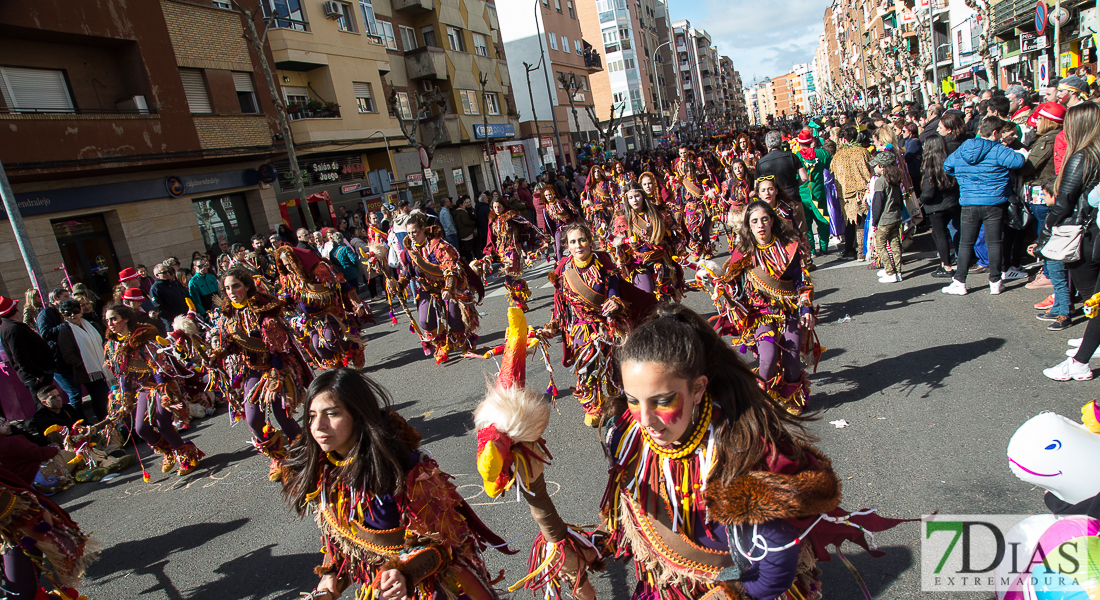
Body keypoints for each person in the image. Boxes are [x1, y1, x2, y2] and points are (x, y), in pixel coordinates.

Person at [512, 304, 902, 599]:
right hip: (667, 587)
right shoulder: (627, 436)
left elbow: (775, 570)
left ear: (698, 389)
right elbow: (631, 521)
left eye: (663, 401)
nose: (646, 420)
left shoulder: (743, 453)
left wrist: (731, 595)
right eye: (633, 400)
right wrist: (585, 547)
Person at [280, 369, 511, 600]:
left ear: (358, 414)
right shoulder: (323, 469)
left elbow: (442, 542)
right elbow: (341, 534)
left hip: (432, 585)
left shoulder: (403, 467)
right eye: (311, 416)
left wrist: (405, 572)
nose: (318, 426)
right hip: (384, 586)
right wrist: (330, 576)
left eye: (331, 414)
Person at [708, 200, 819, 414]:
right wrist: (717, 285)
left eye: (764, 220)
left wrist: (806, 308)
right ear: (749, 226)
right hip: (761, 314)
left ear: (772, 222)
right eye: (755, 221)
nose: (760, 225)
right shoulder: (743, 253)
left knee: (792, 357)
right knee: (767, 359)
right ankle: (763, 400)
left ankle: (791, 398)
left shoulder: (789, 248)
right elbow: (732, 286)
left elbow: (802, 281)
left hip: (789, 310)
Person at [543, 222, 654, 426]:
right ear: (567, 245)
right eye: (573, 242)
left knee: (616, 363)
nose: (578, 246)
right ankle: (593, 405)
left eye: (582, 240)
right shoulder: (563, 268)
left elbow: (614, 289)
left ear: (590, 242)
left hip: (608, 322)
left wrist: (615, 302)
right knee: (587, 366)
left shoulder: (602, 262)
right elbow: (560, 303)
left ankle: (618, 399)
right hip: (582, 326)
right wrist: (553, 325)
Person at [211, 268, 309, 480]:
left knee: (282, 415)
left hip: (276, 367)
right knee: (254, 420)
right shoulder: (228, 314)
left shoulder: (263, 308)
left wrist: (276, 375)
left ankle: (304, 452)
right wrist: (219, 353)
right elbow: (232, 344)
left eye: (235, 285)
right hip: (251, 371)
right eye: (227, 288)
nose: (231, 291)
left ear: (246, 286)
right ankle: (278, 457)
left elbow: (277, 347)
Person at [103, 304, 205, 475]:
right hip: (144, 388)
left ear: (125, 318)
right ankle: (169, 452)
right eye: (107, 320)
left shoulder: (144, 339)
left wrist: (167, 398)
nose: (110, 323)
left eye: (113, 319)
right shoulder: (112, 346)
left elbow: (159, 368)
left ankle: (186, 455)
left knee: (162, 423)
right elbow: (123, 375)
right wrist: (126, 400)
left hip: (164, 384)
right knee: (141, 429)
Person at [1040, 103, 1100, 381]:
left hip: (1084, 234)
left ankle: (1080, 361)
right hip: (1093, 229)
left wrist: (1048, 227)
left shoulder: (1081, 157)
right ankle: (1089, 344)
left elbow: (1064, 200)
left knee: (1093, 299)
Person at [942, 116, 1026, 296]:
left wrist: (964, 177)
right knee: (994, 242)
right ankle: (995, 281)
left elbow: (947, 166)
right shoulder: (999, 150)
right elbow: (1018, 162)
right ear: (995, 132)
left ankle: (959, 281)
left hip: (969, 202)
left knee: (965, 243)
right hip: (994, 202)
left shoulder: (964, 147)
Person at [399, 213, 483, 363]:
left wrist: (449, 289)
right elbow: (407, 273)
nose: (411, 236)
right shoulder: (409, 251)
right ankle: (442, 343)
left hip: (449, 286)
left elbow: (450, 268)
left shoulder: (439, 246)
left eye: (414, 232)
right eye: (409, 233)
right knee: (425, 321)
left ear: (423, 229)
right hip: (428, 288)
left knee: (455, 318)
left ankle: (465, 342)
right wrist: (398, 285)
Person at [274, 246, 368, 370]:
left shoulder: (320, 270)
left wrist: (358, 303)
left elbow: (344, 286)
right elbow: (290, 296)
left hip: (330, 314)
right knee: (318, 347)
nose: (289, 268)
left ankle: (355, 346)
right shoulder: (291, 278)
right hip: (310, 320)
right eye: (286, 265)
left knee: (329, 342)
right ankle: (339, 371)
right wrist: (280, 302)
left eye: (291, 264)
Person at [1021, 103, 1067, 304]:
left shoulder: (1049, 139)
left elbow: (1030, 166)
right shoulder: (1048, 138)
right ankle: (1046, 269)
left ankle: (1048, 272)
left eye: (1039, 118)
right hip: (1040, 191)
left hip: (1043, 191)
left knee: (1044, 231)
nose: (1036, 122)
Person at [611, 182, 684, 300]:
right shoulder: (622, 220)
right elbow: (617, 245)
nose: (634, 200)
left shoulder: (658, 213)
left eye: (637, 196)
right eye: (630, 198)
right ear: (627, 200)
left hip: (661, 260)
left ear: (643, 196)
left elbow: (672, 235)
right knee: (647, 296)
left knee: (664, 297)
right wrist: (620, 259)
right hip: (639, 264)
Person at [483, 197, 544, 311]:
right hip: (502, 252)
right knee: (515, 279)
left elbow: (528, 225)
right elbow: (490, 238)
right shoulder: (493, 220)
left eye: (499, 206)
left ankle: (520, 304)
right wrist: (488, 253)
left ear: (503, 205)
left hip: (514, 249)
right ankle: (523, 288)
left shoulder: (511, 216)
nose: (497, 209)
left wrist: (540, 236)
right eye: (494, 207)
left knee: (509, 278)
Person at [54, 299, 110, 422]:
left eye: (75, 311)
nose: (72, 315)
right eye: (68, 313)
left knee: (108, 395)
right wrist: (87, 366)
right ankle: (105, 423)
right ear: (63, 314)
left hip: (103, 366)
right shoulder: (65, 331)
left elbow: (103, 341)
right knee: (99, 398)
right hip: (88, 372)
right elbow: (69, 356)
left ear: (80, 311)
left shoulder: (91, 325)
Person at [920, 134, 961, 278]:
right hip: (952, 202)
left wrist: (919, 201)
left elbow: (929, 191)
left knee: (940, 235)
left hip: (936, 206)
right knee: (944, 234)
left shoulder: (930, 166)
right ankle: (947, 261)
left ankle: (947, 266)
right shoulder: (950, 161)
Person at [831, 126, 873, 260]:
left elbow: (834, 175)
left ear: (843, 139)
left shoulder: (838, 156)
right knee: (861, 220)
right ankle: (862, 250)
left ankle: (850, 249)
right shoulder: (863, 152)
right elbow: (870, 169)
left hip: (846, 192)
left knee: (849, 222)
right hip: (862, 190)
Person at [0, 296, 56, 394]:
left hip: (37, 374)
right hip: (36, 377)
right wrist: (39, 374)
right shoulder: (13, 329)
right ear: (15, 310)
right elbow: (20, 357)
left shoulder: (11, 327)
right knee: (46, 404)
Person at [794, 128, 833, 255]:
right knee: (822, 219)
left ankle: (811, 249)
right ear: (812, 141)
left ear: (799, 143)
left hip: (803, 194)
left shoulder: (796, 157)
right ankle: (824, 247)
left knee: (806, 224)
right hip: (818, 193)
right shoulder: (822, 154)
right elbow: (830, 167)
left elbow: (794, 177)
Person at [869, 152, 906, 283]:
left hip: (885, 219)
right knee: (895, 243)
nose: (874, 168)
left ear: (882, 166)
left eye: (876, 166)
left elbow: (877, 203)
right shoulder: (896, 178)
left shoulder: (881, 181)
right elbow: (900, 199)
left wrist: (875, 221)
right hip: (896, 216)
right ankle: (898, 271)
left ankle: (890, 272)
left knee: (881, 245)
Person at [540, 184, 579, 264]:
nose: (549, 197)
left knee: (574, 245)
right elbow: (547, 225)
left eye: (550, 194)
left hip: (570, 226)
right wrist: (547, 238)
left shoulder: (563, 202)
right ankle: (560, 266)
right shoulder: (546, 209)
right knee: (558, 249)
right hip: (559, 229)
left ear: (554, 193)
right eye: (546, 195)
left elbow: (574, 214)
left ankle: (577, 261)